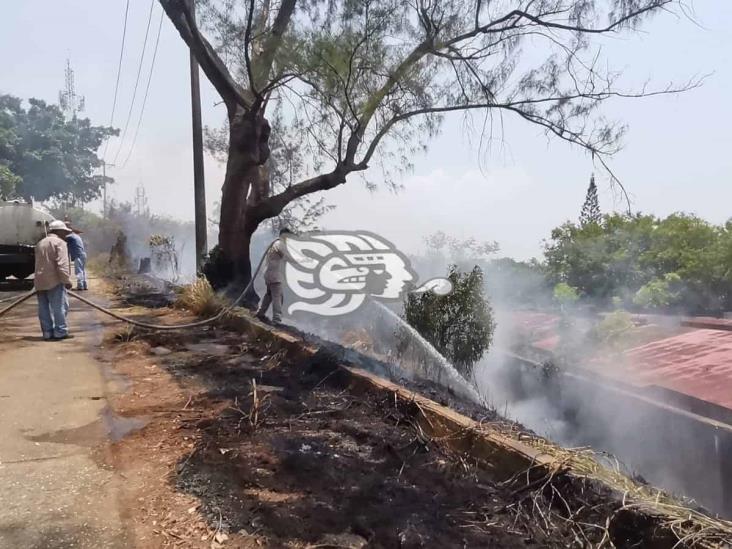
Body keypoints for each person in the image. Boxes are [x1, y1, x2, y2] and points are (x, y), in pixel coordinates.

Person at [34, 220, 73, 340]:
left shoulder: (40, 243)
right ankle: (60, 332)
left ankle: (47, 332)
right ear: (59, 231)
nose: (65, 235)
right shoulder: (60, 243)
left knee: (43, 308)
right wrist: (66, 280)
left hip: (40, 280)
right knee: (59, 307)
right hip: (54, 280)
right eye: (64, 232)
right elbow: (62, 264)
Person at [256, 228, 291, 324]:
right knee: (277, 296)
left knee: (269, 295)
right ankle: (276, 320)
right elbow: (288, 257)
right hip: (274, 275)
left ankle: (260, 313)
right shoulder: (279, 244)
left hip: (270, 274)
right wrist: (303, 261)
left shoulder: (276, 244)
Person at [65, 224, 88, 290]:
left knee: (79, 271)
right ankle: (84, 285)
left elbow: (63, 238)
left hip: (78, 255)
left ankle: (80, 286)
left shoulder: (71, 236)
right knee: (83, 270)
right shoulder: (76, 236)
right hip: (82, 254)